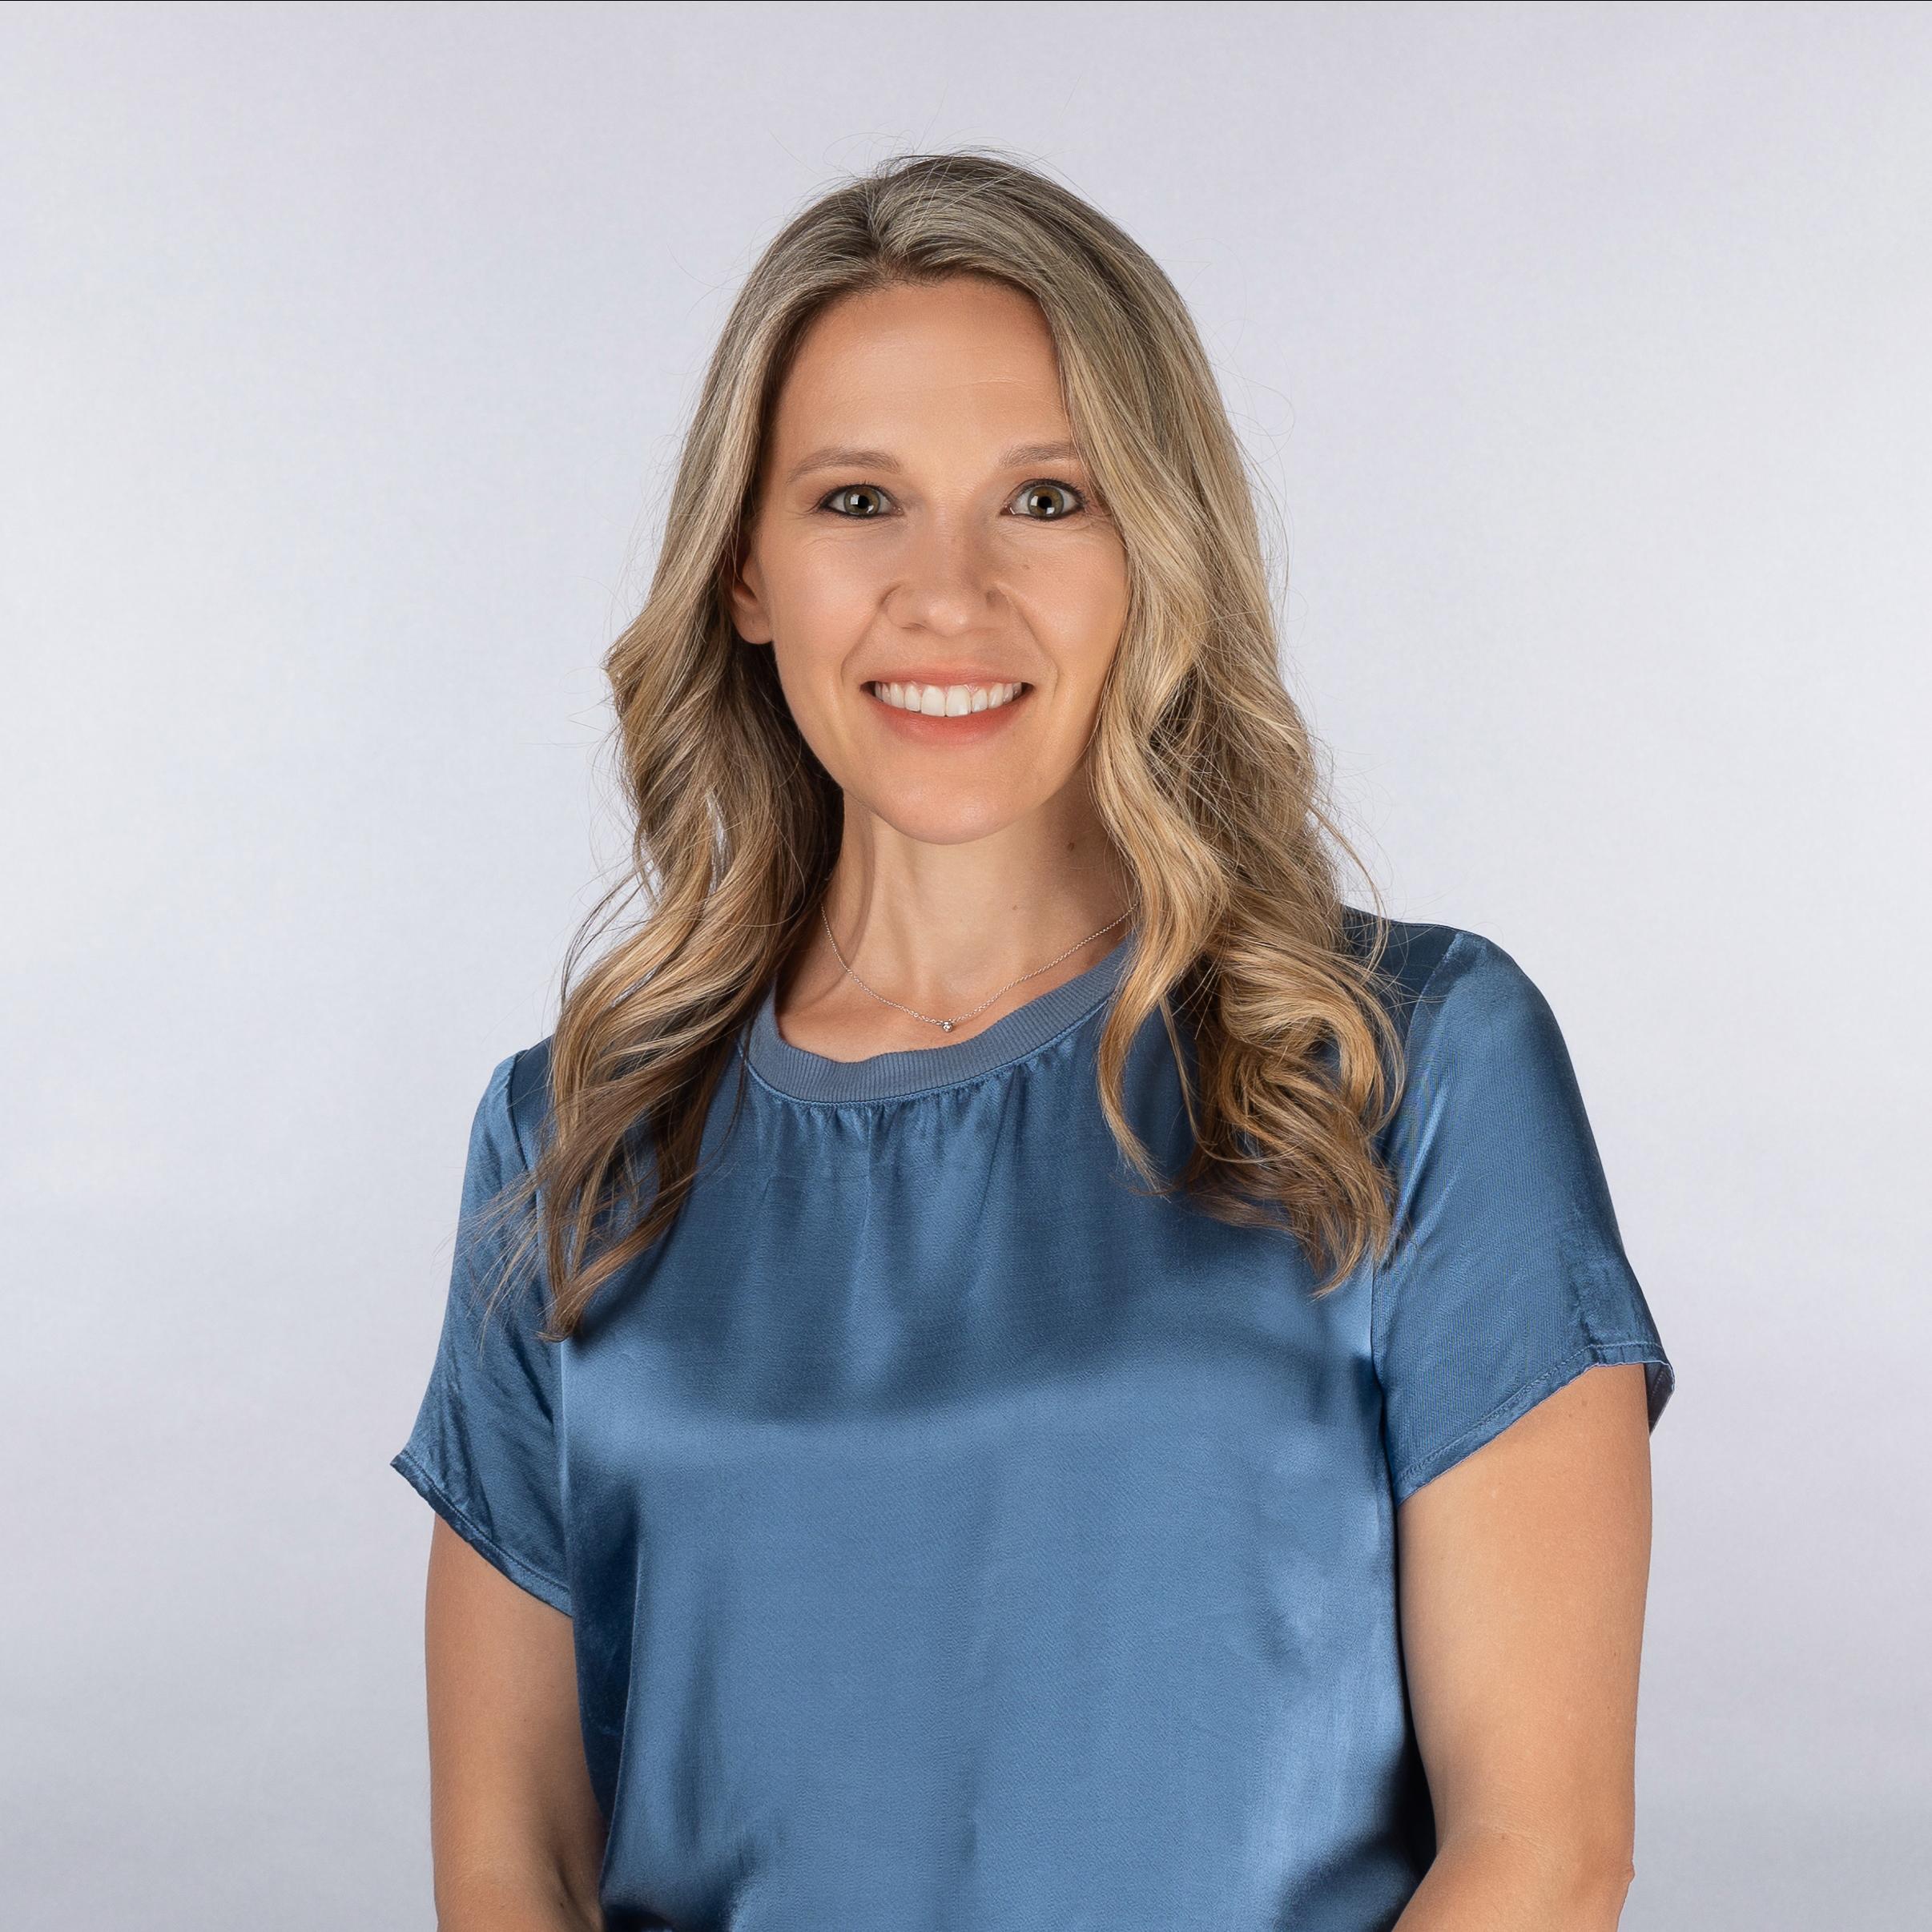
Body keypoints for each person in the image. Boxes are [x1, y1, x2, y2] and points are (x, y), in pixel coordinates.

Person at [391, 149, 1676, 1932]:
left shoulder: (1413, 1071)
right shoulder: (573, 1145)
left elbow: (1541, 1853)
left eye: (1047, 500)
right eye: (857, 503)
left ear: (1159, 550)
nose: (948, 593)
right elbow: (509, 1865)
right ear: (745, 572)